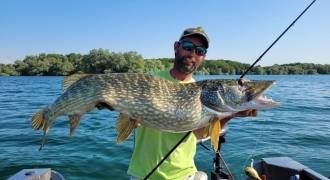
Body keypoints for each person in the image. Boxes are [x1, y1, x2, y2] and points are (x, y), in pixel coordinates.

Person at [127, 27, 256, 180]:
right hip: (143, 174)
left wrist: (231, 114)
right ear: (176, 47)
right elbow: (125, 111)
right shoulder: (148, 80)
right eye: (188, 47)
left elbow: (198, 134)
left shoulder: (204, 92)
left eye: (200, 51)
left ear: (203, 57)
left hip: (184, 174)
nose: (192, 54)